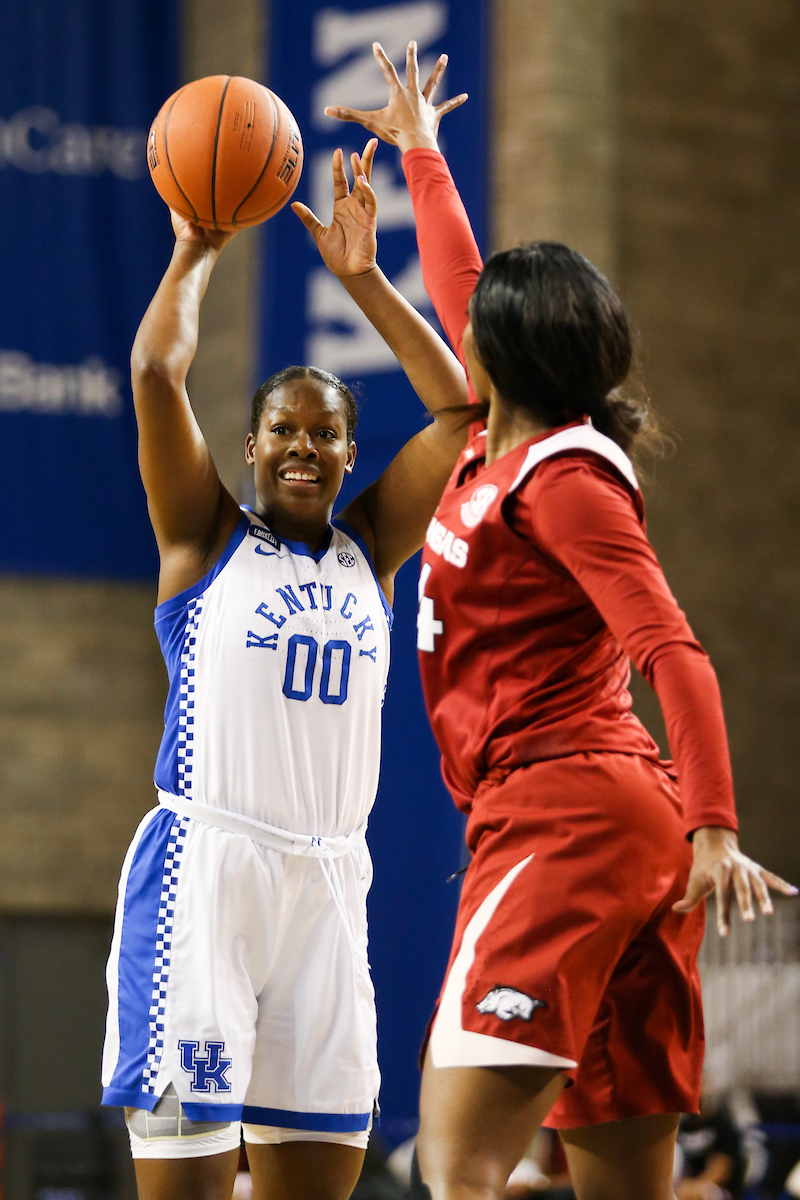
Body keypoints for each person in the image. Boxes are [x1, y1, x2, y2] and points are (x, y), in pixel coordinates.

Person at [327, 42, 798, 1200]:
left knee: (455, 1168)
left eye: (476, 320)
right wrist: (422, 156)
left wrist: (716, 825)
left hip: (566, 817)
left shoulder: (563, 479)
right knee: (618, 1187)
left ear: (504, 349)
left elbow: (668, 649)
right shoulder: (505, 435)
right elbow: (459, 277)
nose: (461, 318)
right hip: (606, 825)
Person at [100, 138, 470, 1200]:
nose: (302, 446)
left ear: (350, 456)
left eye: (324, 433)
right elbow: (153, 373)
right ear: (251, 448)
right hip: (204, 875)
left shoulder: (371, 552)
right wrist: (196, 248)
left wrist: (362, 282)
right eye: (281, 431)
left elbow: (459, 417)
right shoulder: (201, 538)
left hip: (326, 882)